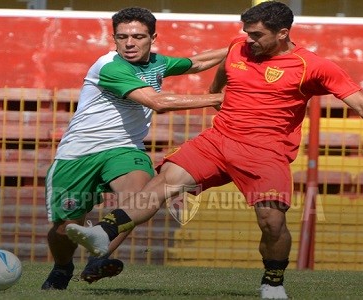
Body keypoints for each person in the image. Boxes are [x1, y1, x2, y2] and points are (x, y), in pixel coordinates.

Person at [64, 1, 363, 299]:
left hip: (266, 151)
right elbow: (226, 70)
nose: (249, 40)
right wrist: (217, 96)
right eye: (246, 33)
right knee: (165, 182)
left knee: (272, 223)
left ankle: (273, 281)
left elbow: (361, 103)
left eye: (258, 35)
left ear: (282, 33)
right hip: (219, 139)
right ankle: (103, 233)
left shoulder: (313, 66)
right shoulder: (239, 46)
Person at [41, 6, 227, 290]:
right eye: (122, 36)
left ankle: (98, 260)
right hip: (77, 155)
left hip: (125, 149)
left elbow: (197, 62)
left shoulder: (156, 62)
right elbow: (158, 102)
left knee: (139, 199)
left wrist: (237, 48)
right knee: (64, 228)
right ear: (114, 39)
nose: (129, 43)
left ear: (152, 37)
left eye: (138, 37)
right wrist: (218, 99)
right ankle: (62, 267)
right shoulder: (111, 66)